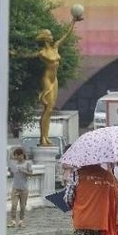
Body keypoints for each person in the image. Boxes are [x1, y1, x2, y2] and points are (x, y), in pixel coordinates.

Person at [23, 16, 80, 146]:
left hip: (55, 79)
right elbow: (28, 55)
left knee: (51, 108)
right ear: (45, 38)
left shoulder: (55, 47)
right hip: (47, 78)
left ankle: (46, 137)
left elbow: (66, 35)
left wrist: (73, 21)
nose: (52, 36)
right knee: (47, 109)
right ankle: (43, 137)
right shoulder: (42, 52)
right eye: (49, 35)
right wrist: (13, 53)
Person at [8, 148, 33, 228]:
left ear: (22, 155)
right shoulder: (14, 164)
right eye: (15, 156)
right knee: (14, 205)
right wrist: (11, 171)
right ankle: (13, 221)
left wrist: (23, 171)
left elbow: (31, 173)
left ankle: (21, 221)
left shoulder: (27, 163)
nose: (16, 157)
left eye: (18, 155)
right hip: (15, 187)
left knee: (23, 206)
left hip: (24, 188)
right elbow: (12, 175)